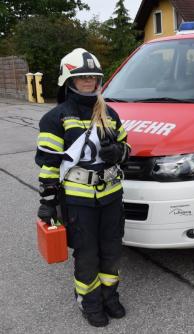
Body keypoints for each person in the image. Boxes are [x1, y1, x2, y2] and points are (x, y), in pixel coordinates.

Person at [35, 48, 130, 327]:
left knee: (112, 250)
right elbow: (50, 164)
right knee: (87, 254)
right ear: (69, 80)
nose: (88, 82)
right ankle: (89, 301)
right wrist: (48, 201)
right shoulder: (55, 118)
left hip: (112, 196)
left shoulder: (110, 113)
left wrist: (119, 152)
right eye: (82, 77)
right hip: (78, 200)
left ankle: (109, 297)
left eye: (93, 77)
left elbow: (128, 147)